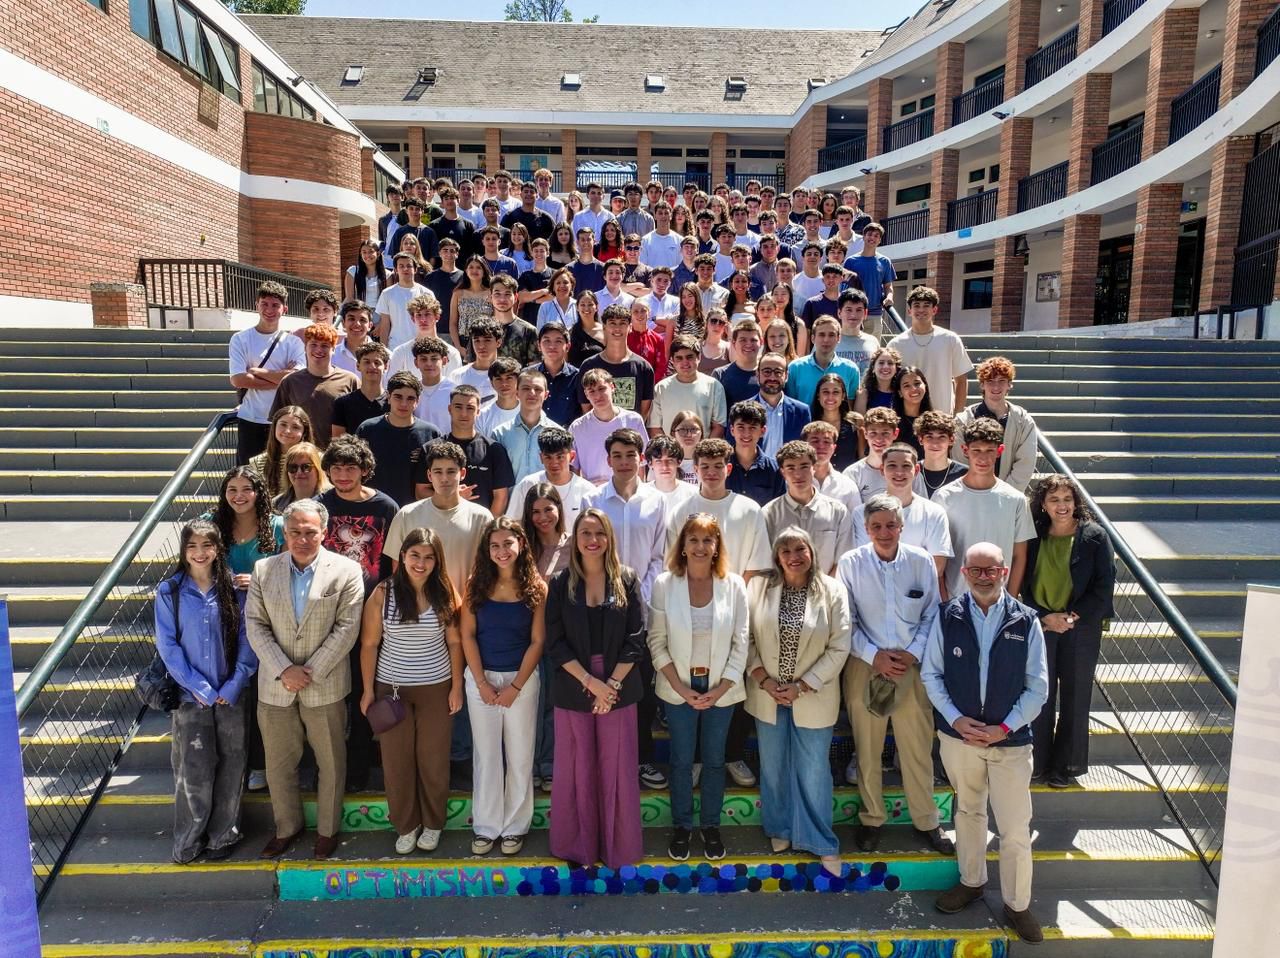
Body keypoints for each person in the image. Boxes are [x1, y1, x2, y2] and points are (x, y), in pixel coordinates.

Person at [921, 542, 1049, 945]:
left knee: (1014, 828)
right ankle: (972, 882)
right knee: (968, 813)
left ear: (1004, 571)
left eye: (989, 569)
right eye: (974, 569)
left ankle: (1017, 904)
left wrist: (1004, 728)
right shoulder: (946, 616)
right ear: (964, 573)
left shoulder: (1027, 621)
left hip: (1010, 743)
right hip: (959, 738)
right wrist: (957, 720)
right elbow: (932, 675)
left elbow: (1038, 688)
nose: (981, 575)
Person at [245, 499, 364, 860]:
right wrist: (285, 669)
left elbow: (347, 629)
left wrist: (309, 671)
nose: (301, 538)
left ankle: (327, 830)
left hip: (323, 684)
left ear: (324, 532)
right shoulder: (264, 570)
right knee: (279, 764)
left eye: (309, 532)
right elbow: (255, 624)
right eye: (294, 531)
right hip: (275, 686)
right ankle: (287, 827)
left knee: (330, 762)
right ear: (286, 532)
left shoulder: (346, 570)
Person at [838, 494, 954, 856]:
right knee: (868, 749)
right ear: (866, 529)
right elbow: (846, 621)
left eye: (891, 525)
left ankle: (927, 822)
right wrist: (875, 656)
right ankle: (872, 818)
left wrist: (912, 654)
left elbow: (932, 613)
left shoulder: (920, 561)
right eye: (876, 526)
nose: (884, 532)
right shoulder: (851, 563)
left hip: (911, 665)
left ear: (902, 526)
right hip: (865, 662)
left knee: (917, 748)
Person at [544, 509, 646, 868]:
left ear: (609, 538)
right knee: (578, 768)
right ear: (575, 538)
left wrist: (611, 686)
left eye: (599, 533)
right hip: (575, 684)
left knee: (616, 767)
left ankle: (617, 848)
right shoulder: (559, 583)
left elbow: (636, 639)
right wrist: (591, 683)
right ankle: (580, 848)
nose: (592, 540)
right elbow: (554, 643)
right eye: (585, 533)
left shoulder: (627, 579)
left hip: (618, 685)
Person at [746, 527, 850, 875]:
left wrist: (802, 686)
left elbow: (839, 647)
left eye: (800, 548)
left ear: (811, 551)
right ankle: (780, 828)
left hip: (812, 695)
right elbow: (744, 639)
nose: (794, 555)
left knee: (813, 770)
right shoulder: (759, 587)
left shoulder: (832, 590)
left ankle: (821, 840)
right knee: (773, 767)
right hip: (768, 692)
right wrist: (762, 678)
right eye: (786, 549)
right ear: (776, 556)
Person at [155, 519, 257, 864]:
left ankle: (222, 834)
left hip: (231, 693)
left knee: (232, 764)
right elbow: (168, 646)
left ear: (218, 549)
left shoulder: (235, 589)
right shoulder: (169, 591)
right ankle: (188, 839)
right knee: (193, 770)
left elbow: (248, 638)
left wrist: (235, 682)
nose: (200, 553)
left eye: (207, 545)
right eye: (192, 546)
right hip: (190, 697)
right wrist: (197, 687)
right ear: (184, 551)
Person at [649, 514, 749, 861]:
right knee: (680, 761)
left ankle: (710, 826)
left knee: (715, 760)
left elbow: (742, 642)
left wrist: (720, 689)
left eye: (708, 540)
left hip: (722, 688)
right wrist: (680, 687)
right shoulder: (665, 584)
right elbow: (657, 641)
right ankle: (682, 827)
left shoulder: (734, 585)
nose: (700, 547)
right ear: (683, 545)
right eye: (693, 539)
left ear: (717, 545)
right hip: (678, 688)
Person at [358, 528, 464, 855]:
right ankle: (406, 825)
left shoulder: (445, 592)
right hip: (392, 691)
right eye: (414, 555)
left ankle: (433, 824)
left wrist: (457, 686)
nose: (421, 562)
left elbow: (455, 641)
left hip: (436, 687)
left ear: (437, 561)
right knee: (396, 761)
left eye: (428, 556)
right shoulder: (383, 594)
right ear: (402, 556)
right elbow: (370, 644)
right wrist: (366, 691)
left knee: (432, 760)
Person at [583, 429, 671, 791]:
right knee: (600, 684)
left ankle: (641, 759)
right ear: (608, 459)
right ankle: (600, 761)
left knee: (639, 689)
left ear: (641, 459)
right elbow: (587, 551)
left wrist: (637, 597)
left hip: (642, 608)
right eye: (617, 455)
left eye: (631, 455)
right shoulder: (594, 499)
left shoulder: (656, 501)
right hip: (599, 608)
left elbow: (659, 557)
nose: (624, 461)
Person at [459, 517, 546, 856]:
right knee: (487, 756)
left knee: (521, 755)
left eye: (507, 544)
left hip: (520, 680)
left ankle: (514, 827)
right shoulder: (474, 585)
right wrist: (480, 681)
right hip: (481, 680)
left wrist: (516, 686)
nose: (501, 551)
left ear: (520, 544)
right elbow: (466, 635)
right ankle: (486, 826)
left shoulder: (536, 587)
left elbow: (538, 641)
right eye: (494, 545)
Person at [1023, 475, 1115, 787]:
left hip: (1081, 628)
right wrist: (1045, 616)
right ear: (1043, 505)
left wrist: (1072, 618)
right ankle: (1039, 762)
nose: (1061, 506)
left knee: (1076, 696)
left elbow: (1104, 585)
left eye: (1067, 499)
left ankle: (1065, 766)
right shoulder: (1034, 535)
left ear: (1075, 502)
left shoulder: (1094, 536)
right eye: (1054, 500)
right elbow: (1022, 582)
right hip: (1041, 624)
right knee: (1042, 694)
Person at [934, 419, 1036, 600]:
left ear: (1000, 451)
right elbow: (937, 555)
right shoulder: (944, 497)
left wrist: (1010, 601)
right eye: (976, 451)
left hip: (999, 601)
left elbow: (1019, 556)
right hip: (955, 601)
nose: (983, 458)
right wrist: (944, 601)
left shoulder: (1016, 499)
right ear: (965, 451)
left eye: (989, 451)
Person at [229, 282, 305, 464]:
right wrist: (280, 378)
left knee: (283, 476)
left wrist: (257, 372)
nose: (269, 310)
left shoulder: (293, 342)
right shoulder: (240, 339)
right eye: (264, 304)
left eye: (275, 305)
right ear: (257, 306)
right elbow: (238, 379)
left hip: (285, 422)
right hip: (251, 419)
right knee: (249, 475)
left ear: (284, 309)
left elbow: (296, 379)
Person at [423, 384, 515, 516]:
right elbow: (421, 491)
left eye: (470, 408)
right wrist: (451, 496)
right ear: (450, 409)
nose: (464, 413)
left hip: (481, 529)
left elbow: (501, 497)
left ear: (478, 411)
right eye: (458, 407)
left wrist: (488, 530)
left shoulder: (494, 450)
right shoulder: (431, 448)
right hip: (439, 524)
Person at [763, 441, 851, 575]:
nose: (798, 474)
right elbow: (766, 562)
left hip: (826, 591)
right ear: (782, 472)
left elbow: (843, 560)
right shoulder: (769, 514)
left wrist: (824, 590)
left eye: (804, 466)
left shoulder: (838, 512)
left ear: (814, 467)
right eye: (791, 468)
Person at [354, 372, 440, 507]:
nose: (404, 403)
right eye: (398, 397)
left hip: (416, 510)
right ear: (388, 397)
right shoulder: (367, 429)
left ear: (417, 401)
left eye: (410, 398)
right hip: (373, 508)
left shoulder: (431, 433)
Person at [954, 357, 1038, 494]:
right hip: (971, 495)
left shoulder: (1023, 421)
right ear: (982, 384)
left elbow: (1025, 463)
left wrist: (1004, 494)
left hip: (1009, 496)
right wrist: (976, 492)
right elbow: (960, 461)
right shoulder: (963, 420)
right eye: (990, 381)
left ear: (1010, 384)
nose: (996, 387)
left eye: (1001, 381)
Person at [269, 325, 357, 450]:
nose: (318, 350)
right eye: (313, 345)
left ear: (333, 349)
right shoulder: (290, 382)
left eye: (325, 346)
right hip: (299, 458)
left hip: (338, 458)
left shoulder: (350, 380)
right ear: (305, 347)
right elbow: (277, 424)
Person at [888, 286, 973, 415]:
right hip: (907, 417)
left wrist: (958, 414)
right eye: (916, 305)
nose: (921, 309)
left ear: (934, 310)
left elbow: (961, 380)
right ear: (909, 311)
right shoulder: (896, 344)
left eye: (926, 305)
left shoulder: (950, 339)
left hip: (942, 415)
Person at [505, 426, 598, 534]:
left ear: (572, 457)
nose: (554, 463)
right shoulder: (528, 484)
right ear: (541, 457)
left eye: (560, 457)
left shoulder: (587, 490)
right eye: (548, 457)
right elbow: (513, 523)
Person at [570, 369, 648, 485]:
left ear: (612, 387)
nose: (597, 395)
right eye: (591, 391)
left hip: (626, 491)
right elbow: (574, 468)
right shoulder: (577, 427)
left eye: (602, 389)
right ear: (586, 394)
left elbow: (642, 463)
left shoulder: (633, 420)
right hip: (592, 494)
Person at [576, 305, 654, 419]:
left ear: (630, 327)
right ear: (604, 327)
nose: (617, 328)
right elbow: (586, 409)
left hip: (629, 434)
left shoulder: (643, 368)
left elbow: (643, 414)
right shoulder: (588, 366)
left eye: (622, 323)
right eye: (612, 323)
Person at [648, 335, 728, 438]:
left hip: (702, 452)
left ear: (699, 357)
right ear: (672, 360)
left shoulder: (714, 386)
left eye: (690, 357)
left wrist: (704, 452)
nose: (685, 362)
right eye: (679, 358)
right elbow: (655, 427)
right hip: (671, 452)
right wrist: (670, 452)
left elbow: (719, 426)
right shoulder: (661, 388)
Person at [785, 316, 860, 407]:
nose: (826, 340)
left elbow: (850, 406)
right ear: (813, 338)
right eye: (821, 335)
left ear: (839, 338)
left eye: (831, 335)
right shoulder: (795, 368)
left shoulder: (850, 369)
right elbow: (790, 404)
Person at [751, 352, 810, 459]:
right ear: (757, 374)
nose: (772, 377)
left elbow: (806, 450)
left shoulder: (801, 411)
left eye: (778, 372)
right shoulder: (743, 410)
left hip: (790, 474)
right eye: (767, 372)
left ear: (786, 376)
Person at [725, 401, 785, 507]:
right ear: (732, 430)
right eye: (741, 427)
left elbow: (779, 507)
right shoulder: (721, 465)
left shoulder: (774, 469)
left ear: (763, 431)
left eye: (752, 428)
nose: (746, 433)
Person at [249, 406, 313, 500]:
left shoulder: (317, 459)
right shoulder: (257, 462)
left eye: (295, 427)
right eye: (283, 424)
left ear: (304, 432)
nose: (287, 431)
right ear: (274, 426)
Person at [331, 342, 389, 440]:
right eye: (366, 362)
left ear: (386, 367)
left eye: (377, 362)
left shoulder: (394, 402)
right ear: (358, 366)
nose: (372, 367)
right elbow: (338, 443)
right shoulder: (343, 403)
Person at [844, 222, 895, 331]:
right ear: (863, 237)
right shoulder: (850, 261)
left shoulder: (885, 261)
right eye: (870, 234)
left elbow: (888, 286)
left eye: (876, 236)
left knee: (873, 347)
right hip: (854, 313)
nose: (872, 237)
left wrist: (889, 297)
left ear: (880, 240)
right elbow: (843, 288)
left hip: (875, 313)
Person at [377, 254, 432, 351]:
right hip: (395, 347)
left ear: (415, 269)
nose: (405, 269)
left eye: (409, 266)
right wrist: (383, 350)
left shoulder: (427, 293)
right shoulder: (387, 294)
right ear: (396, 270)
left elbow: (432, 322)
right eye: (401, 266)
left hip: (421, 347)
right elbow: (385, 325)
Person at [810, 373, 861, 470]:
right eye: (825, 392)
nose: (830, 397)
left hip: (848, 481)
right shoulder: (809, 422)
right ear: (818, 395)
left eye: (836, 392)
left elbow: (861, 457)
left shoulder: (856, 422)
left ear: (843, 396)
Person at [916, 410, 968, 498]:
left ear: (951, 440)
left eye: (942, 437)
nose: (935, 443)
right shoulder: (911, 471)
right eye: (929, 436)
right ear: (920, 440)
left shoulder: (965, 474)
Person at [448, 256, 494, 353]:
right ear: (466, 270)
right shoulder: (458, 293)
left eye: (478, 267)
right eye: (471, 267)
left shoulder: (492, 293)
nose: (474, 270)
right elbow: (453, 323)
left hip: (486, 340)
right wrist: (458, 347)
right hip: (463, 342)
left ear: (484, 271)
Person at [715, 320, 763, 409]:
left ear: (761, 342)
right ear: (733, 343)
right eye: (743, 340)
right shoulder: (720, 374)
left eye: (753, 340)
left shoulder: (769, 374)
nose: (748, 344)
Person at [833, 289, 878, 377]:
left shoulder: (873, 342)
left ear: (865, 313)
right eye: (849, 310)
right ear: (839, 313)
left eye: (859, 310)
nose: (853, 315)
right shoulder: (827, 340)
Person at [273, 442, 329, 513]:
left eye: (306, 467)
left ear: (318, 470)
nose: (299, 472)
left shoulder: (331, 500)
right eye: (293, 467)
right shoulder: (277, 504)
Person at [475, 357, 522, 438]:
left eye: (509, 378)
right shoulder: (481, 417)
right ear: (491, 382)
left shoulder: (531, 412)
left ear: (518, 380)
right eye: (498, 379)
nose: (504, 383)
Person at [893, 366, 934, 459]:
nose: (913, 389)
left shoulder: (934, 422)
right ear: (900, 392)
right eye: (907, 385)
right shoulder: (891, 423)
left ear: (925, 386)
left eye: (917, 383)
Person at [333, 301, 376, 376]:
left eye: (362, 320)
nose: (357, 324)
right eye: (351, 319)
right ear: (343, 323)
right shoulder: (332, 356)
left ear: (370, 326)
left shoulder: (384, 356)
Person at [856, 346, 903, 414]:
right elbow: (858, 423)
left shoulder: (901, 393)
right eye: (881, 363)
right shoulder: (863, 394)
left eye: (890, 363)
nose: (885, 366)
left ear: (896, 369)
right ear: (873, 368)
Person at [345, 240, 386, 310]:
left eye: (371, 252)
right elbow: (350, 298)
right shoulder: (352, 271)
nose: (367, 255)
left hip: (380, 313)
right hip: (358, 311)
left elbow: (387, 300)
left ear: (378, 254)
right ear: (361, 255)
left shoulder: (387, 274)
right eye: (364, 252)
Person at [568, 289, 605, 367]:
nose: (586, 308)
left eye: (590, 304)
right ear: (577, 308)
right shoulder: (571, 332)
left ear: (596, 307)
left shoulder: (605, 330)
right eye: (582, 305)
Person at [698, 309, 732, 374]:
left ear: (725, 327)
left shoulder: (729, 347)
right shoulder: (697, 346)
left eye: (721, 323)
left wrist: (731, 336)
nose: (717, 325)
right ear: (706, 323)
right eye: (713, 321)